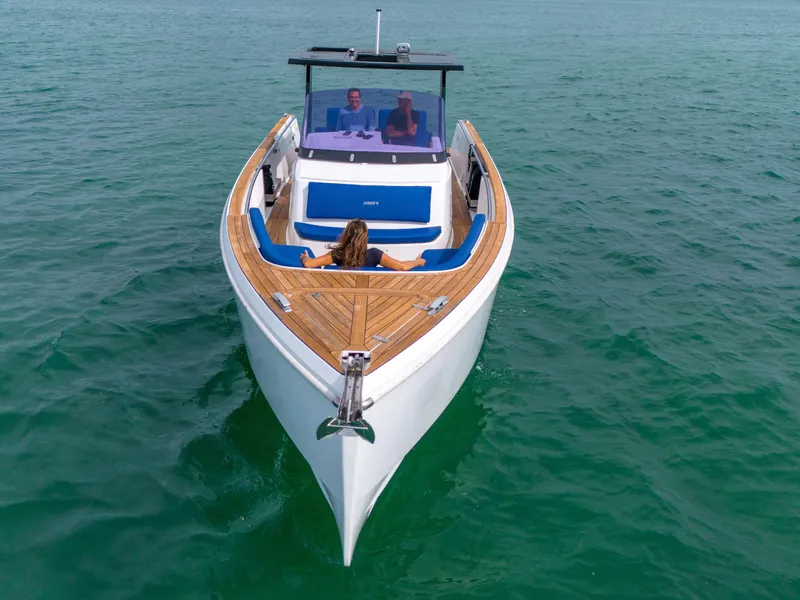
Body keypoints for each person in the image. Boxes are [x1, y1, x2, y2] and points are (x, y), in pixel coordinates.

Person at [300, 219, 426, 271]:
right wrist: (417, 262)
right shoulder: (374, 254)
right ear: (365, 238)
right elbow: (402, 267)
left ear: (346, 236)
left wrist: (305, 257)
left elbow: (308, 264)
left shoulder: (338, 254)